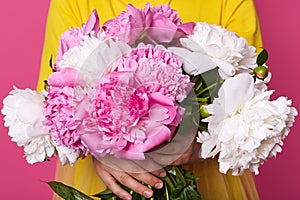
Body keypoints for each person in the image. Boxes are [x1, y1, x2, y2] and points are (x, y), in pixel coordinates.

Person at [37, 0, 262, 199]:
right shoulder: (71, 2)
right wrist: (100, 149)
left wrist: (203, 145)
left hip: (206, 178)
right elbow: (52, 101)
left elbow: (254, 98)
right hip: (109, 180)